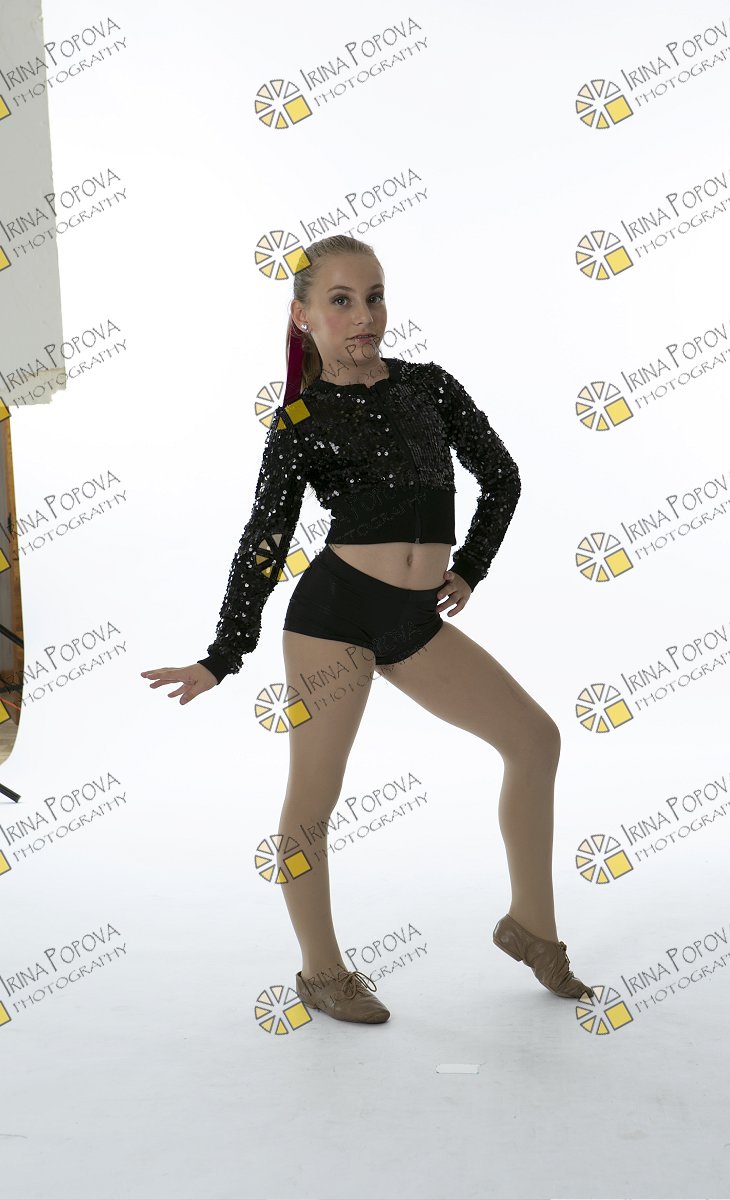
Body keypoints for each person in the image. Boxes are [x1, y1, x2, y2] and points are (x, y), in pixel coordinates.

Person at [141, 234, 593, 1024]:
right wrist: (223, 654)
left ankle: (532, 927)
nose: (364, 316)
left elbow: (503, 477)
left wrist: (471, 567)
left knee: (535, 741)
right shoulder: (301, 418)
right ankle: (320, 972)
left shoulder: (429, 387)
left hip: (414, 621)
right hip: (335, 618)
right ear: (303, 315)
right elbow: (264, 541)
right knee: (313, 800)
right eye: (342, 301)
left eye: (374, 297)